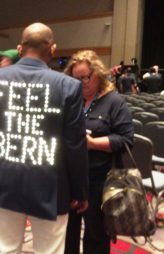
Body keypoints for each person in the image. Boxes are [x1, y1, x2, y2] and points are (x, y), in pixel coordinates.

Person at [0, 22, 89, 254]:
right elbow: (74, 145)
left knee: (4, 250)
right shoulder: (68, 86)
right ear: (53, 50)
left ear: (20, 48)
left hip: (3, 178)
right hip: (52, 185)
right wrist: (80, 191)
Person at [64, 50, 134, 254]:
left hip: (99, 180)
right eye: (76, 79)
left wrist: (93, 143)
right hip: (71, 178)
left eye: (86, 77)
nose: (82, 82)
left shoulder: (114, 101)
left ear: (98, 74)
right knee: (68, 232)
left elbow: (126, 139)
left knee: (95, 235)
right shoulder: (72, 101)